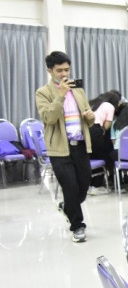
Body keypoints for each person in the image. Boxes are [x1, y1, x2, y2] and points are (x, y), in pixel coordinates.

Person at [34, 51, 95, 243]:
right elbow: (48, 118)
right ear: (50, 71)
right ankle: (77, 226)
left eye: (67, 70)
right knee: (70, 187)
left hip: (80, 145)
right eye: (59, 70)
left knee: (83, 186)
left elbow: (89, 119)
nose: (64, 74)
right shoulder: (43, 92)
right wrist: (60, 96)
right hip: (59, 148)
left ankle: (67, 207)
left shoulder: (78, 90)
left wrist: (91, 117)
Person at [87, 89, 121, 193]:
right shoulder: (109, 106)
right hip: (95, 131)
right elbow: (106, 126)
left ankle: (88, 185)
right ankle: (97, 186)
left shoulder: (92, 103)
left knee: (89, 157)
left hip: (84, 130)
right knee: (100, 157)